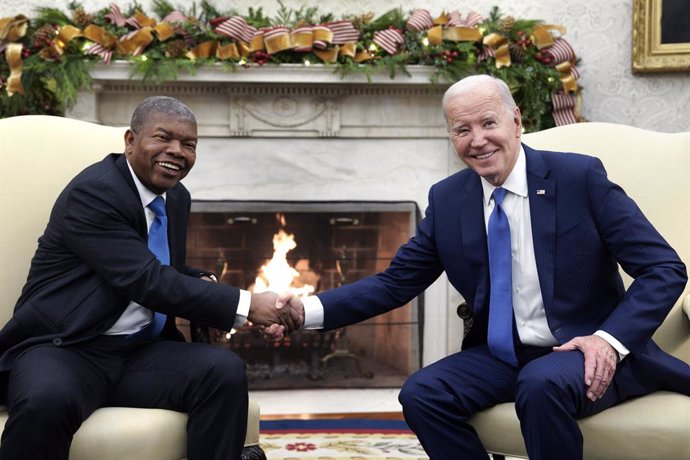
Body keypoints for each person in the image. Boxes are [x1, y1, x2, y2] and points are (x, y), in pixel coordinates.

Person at [270, 75, 690, 459]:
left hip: (584, 349)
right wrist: (304, 311)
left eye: (488, 123)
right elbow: (396, 283)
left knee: (542, 383)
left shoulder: (579, 178)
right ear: (450, 136)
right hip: (503, 355)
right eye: (462, 130)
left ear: (516, 121)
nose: (477, 140)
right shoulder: (450, 199)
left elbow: (663, 268)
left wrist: (608, 341)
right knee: (422, 392)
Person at [0, 96, 298, 460]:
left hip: (138, 354)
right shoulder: (94, 193)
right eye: (163, 138)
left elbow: (162, 269)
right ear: (130, 141)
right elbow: (146, 279)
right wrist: (248, 305)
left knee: (223, 371)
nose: (177, 151)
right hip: (66, 347)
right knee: (44, 401)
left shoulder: (175, 198)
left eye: (189, 144)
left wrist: (208, 289)